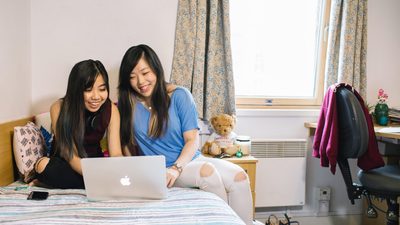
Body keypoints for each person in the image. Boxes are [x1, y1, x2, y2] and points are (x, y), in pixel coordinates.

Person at [118, 44, 253, 225]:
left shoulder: (180, 95)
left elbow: (191, 140)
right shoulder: (127, 104)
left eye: (145, 72)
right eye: (132, 77)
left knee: (240, 177)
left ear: (156, 69)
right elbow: (126, 144)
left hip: (186, 161)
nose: (140, 81)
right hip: (158, 168)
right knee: (208, 173)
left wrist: (176, 168)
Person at [32, 59, 123, 189]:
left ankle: (55, 183)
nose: (96, 96)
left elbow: (116, 153)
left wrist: (124, 171)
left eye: (102, 89)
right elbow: (70, 155)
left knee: (113, 172)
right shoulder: (59, 107)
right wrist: (96, 177)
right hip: (67, 163)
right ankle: (97, 183)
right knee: (42, 165)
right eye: (88, 89)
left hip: (95, 163)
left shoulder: (112, 109)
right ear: (76, 89)